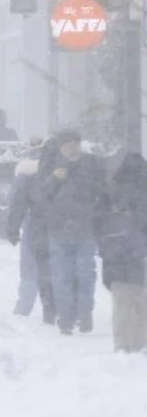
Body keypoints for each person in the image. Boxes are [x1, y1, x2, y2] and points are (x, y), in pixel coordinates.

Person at [35, 130, 105, 335]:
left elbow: (101, 193)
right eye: (66, 144)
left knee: (85, 275)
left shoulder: (91, 163)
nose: (71, 148)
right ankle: (65, 319)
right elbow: (39, 196)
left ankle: (85, 315)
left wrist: (94, 216)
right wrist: (53, 179)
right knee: (62, 276)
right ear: (59, 147)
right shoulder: (50, 164)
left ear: (80, 144)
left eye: (75, 143)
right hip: (58, 231)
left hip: (85, 230)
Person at [97, 153, 147, 352]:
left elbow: (98, 222)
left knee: (122, 303)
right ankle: (140, 342)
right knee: (142, 302)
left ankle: (123, 345)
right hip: (141, 256)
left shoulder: (109, 192)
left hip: (115, 257)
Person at [7, 137, 56, 324]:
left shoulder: (24, 171)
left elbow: (15, 201)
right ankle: (56, 307)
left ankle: (24, 307)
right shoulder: (56, 168)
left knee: (29, 268)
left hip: (32, 224)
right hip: (57, 225)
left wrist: (13, 225)